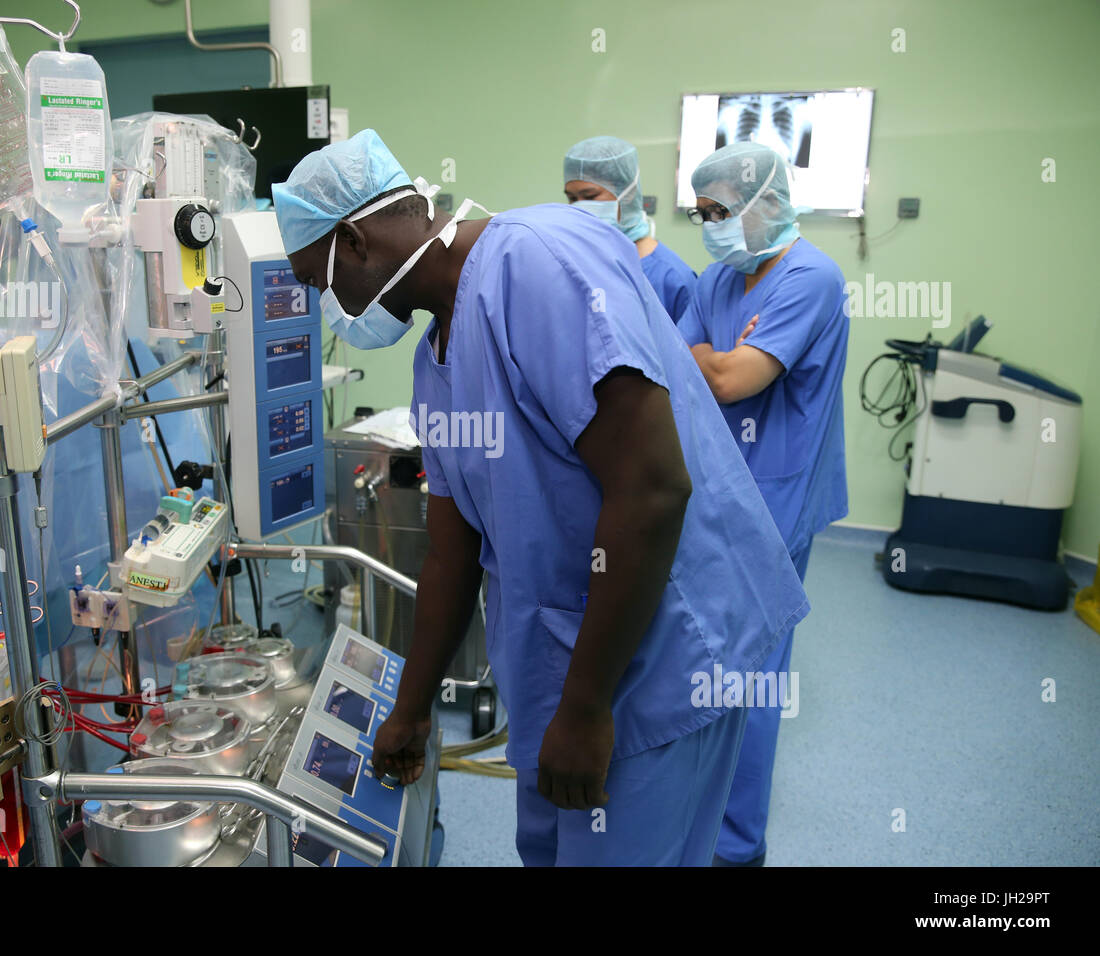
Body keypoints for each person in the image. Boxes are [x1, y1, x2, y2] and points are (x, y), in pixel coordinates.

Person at [273, 129, 808, 866]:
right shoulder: (438, 358)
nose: (326, 307)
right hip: (565, 673)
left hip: (661, 662)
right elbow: (452, 550)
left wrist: (587, 710)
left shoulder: (536, 262)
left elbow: (652, 489)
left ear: (357, 243)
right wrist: (413, 709)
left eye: (314, 283)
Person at [677, 141, 849, 866]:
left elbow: (723, 381)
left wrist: (719, 362)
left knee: (752, 674)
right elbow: (683, 363)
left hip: (779, 495)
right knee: (705, 659)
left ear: (767, 205)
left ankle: (737, 846)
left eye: (722, 211)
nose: (710, 225)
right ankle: (693, 809)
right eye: (703, 212)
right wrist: (717, 360)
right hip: (720, 491)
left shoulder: (813, 277)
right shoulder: (719, 277)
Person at [563, 135, 696, 321]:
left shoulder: (671, 277)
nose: (579, 207)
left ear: (627, 195)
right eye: (572, 198)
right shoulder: (578, 264)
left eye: (590, 197)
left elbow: (686, 347)